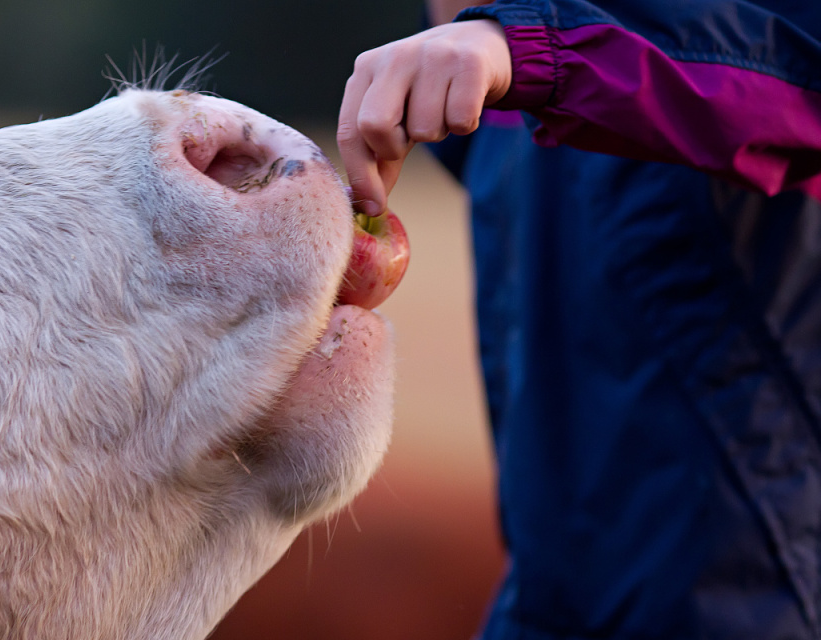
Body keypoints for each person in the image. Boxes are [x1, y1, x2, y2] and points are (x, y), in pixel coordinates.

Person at [338, 1, 821, 638]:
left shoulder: (541, 50)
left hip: (764, 598)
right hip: (544, 599)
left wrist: (536, 50)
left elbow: (790, 65)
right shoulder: (516, 62)